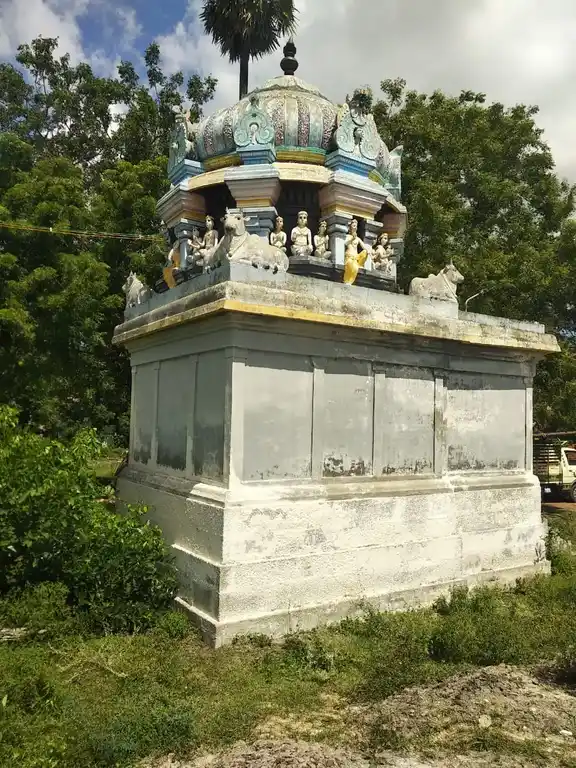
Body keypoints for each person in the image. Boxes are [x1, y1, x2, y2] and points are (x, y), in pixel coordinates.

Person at [343, 219, 369, 285]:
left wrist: (369, 251)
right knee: (354, 268)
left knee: (365, 252)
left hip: (356, 257)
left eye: (356, 226)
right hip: (349, 257)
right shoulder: (347, 236)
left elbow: (364, 246)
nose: (355, 227)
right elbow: (345, 243)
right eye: (353, 225)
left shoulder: (358, 238)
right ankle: (348, 281)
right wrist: (352, 239)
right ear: (350, 227)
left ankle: (360, 264)